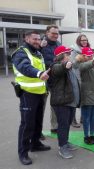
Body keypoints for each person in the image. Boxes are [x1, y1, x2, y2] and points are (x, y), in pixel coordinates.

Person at [12, 31, 51, 165]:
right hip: (27, 94)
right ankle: (23, 152)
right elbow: (24, 66)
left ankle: (35, 144)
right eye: (34, 39)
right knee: (27, 124)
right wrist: (39, 73)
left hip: (40, 93)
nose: (37, 41)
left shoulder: (38, 52)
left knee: (38, 122)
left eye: (38, 39)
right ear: (26, 39)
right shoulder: (20, 52)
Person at [50, 46, 80, 159]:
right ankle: (62, 147)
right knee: (62, 125)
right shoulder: (55, 66)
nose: (69, 56)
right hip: (61, 102)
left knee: (67, 124)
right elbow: (58, 69)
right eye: (67, 54)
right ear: (61, 56)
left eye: (69, 54)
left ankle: (65, 142)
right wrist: (65, 66)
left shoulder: (69, 66)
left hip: (70, 101)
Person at [76, 47, 94, 145]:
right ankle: (86, 136)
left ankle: (92, 135)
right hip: (87, 94)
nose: (91, 57)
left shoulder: (93, 64)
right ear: (83, 56)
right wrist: (92, 63)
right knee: (86, 117)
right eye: (88, 55)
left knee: (93, 117)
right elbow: (83, 67)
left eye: (92, 55)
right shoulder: (81, 64)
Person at [40, 25, 61, 134]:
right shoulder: (40, 43)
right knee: (40, 107)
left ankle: (54, 126)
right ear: (47, 33)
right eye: (53, 33)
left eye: (57, 33)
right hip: (42, 79)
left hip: (55, 79)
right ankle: (38, 131)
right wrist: (39, 47)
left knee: (55, 104)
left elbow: (61, 59)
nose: (55, 35)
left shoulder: (58, 44)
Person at [70, 34, 91, 128]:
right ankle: (73, 120)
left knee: (84, 98)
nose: (84, 42)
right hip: (77, 76)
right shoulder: (74, 51)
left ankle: (83, 118)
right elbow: (73, 65)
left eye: (85, 40)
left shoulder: (89, 50)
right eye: (82, 40)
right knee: (76, 98)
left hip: (86, 76)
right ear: (79, 41)